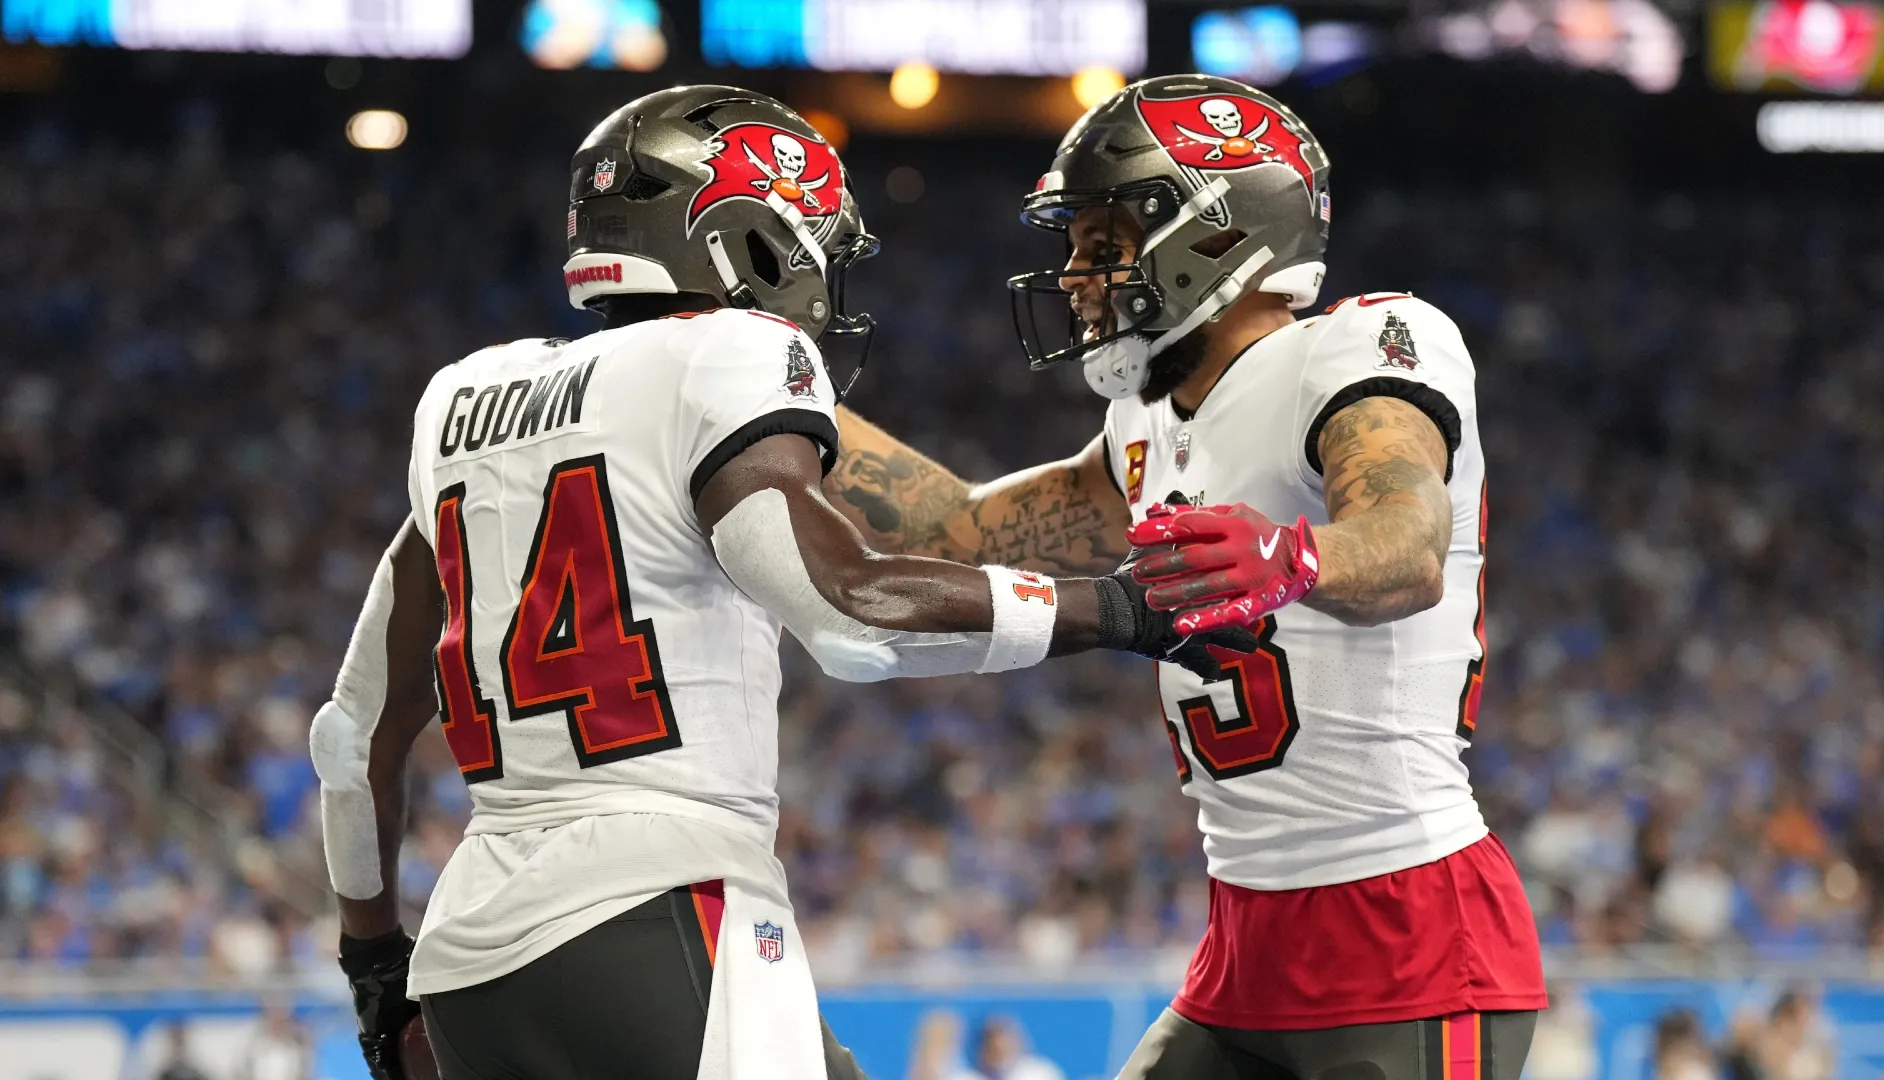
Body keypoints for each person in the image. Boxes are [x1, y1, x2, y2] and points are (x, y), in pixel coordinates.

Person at [309, 86, 1242, 1080]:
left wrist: (373, 965)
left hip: (469, 961)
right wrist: (1120, 608)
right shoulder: (732, 351)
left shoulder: (466, 401)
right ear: (750, 240)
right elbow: (849, 614)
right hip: (654, 911)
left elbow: (355, 733)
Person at [825, 74, 1546, 1079]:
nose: (1075, 276)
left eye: (1103, 246)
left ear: (1219, 235)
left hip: (1407, 927)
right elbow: (961, 525)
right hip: (1245, 944)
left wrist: (1292, 556)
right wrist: (772, 401)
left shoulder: (1355, 348)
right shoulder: (1148, 428)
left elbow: (1408, 538)